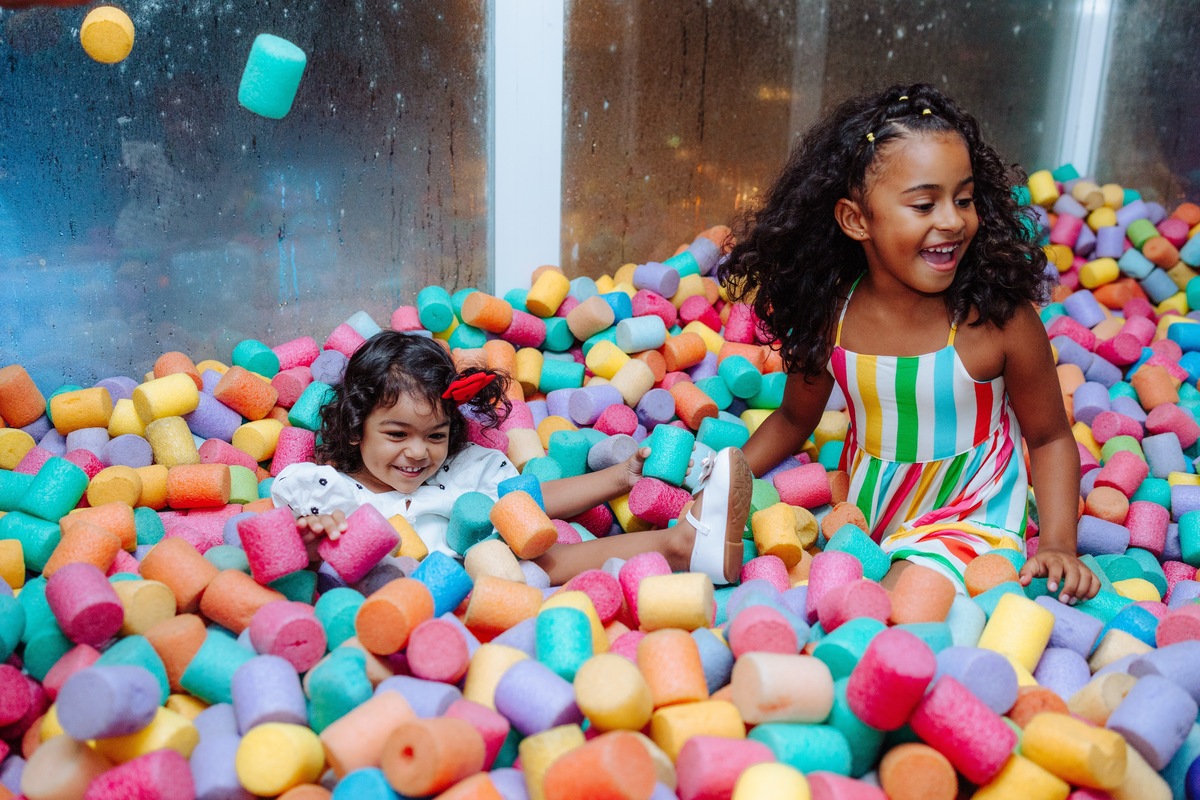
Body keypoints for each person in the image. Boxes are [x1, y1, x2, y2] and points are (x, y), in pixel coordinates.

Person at [720, 83, 1100, 603]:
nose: (953, 219)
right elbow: (792, 419)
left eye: (964, 199)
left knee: (898, 606)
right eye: (925, 204)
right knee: (803, 589)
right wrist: (728, 477)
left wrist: (1058, 544)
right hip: (867, 510)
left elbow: (1052, 437)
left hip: (970, 511)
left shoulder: (995, 318)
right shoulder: (833, 311)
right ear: (856, 219)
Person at [271, 330, 751, 587]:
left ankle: (680, 544)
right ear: (356, 428)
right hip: (407, 605)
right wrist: (315, 541)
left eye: (435, 435)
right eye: (397, 434)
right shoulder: (320, 488)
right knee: (526, 564)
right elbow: (291, 556)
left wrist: (622, 476)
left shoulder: (460, 471)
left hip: (487, 575)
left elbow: (530, 501)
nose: (418, 452)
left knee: (542, 556)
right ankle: (681, 546)